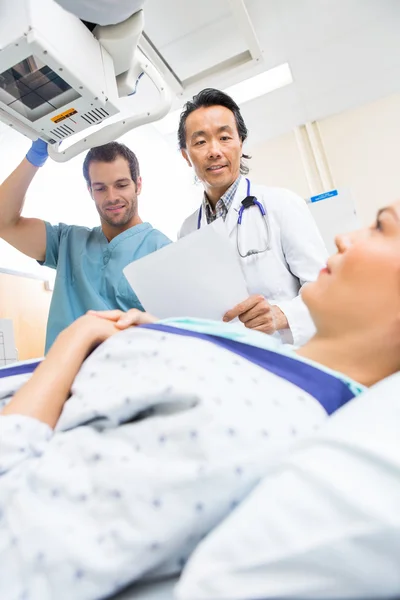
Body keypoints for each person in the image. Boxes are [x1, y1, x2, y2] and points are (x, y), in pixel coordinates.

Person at [1, 201, 400, 599]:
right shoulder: (274, 367)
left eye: (381, 227)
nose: (344, 237)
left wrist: (74, 341)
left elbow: (19, 548)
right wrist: (170, 334)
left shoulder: (242, 420)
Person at [177, 88, 329, 346]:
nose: (214, 151)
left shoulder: (281, 204)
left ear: (240, 143)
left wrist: (282, 315)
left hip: (289, 354)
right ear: (186, 155)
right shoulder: (188, 230)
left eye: (224, 137)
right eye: (200, 142)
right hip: (233, 363)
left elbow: (327, 290)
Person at [0, 140, 171, 351]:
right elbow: (3, 222)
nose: (112, 197)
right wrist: (35, 158)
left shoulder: (163, 251)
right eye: (100, 188)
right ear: (90, 190)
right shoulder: (67, 241)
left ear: (139, 184)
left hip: (126, 375)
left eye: (121, 185)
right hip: (60, 377)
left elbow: (172, 336)